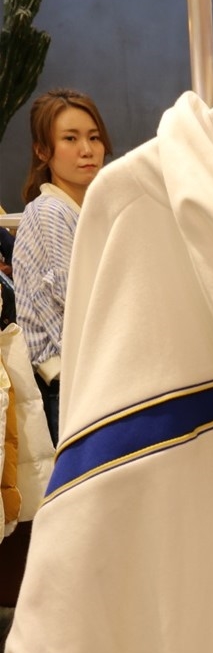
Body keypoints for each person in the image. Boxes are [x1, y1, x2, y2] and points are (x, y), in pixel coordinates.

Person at [12, 88, 112, 443]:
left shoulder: (86, 211)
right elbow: (80, 304)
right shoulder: (52, 212)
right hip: (72, 383)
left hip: (86, 378)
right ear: (42, 151)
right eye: (70, 138)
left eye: (94, 137)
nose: (87, 149)